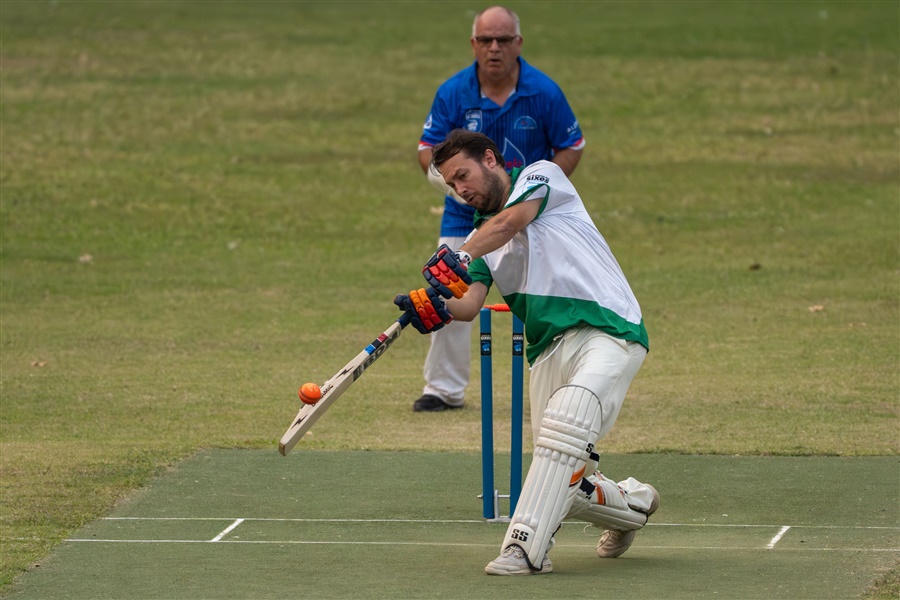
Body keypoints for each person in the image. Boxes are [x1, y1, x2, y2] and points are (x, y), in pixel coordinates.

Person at [394, 129, 658, 575]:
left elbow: (508, 224)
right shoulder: (481, 242)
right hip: (547, 351)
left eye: (463, 175)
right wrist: (433, 309)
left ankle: (523, 549)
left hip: (608, 330)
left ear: (491, 159)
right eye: (452, 185)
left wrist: (457, 257)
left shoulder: (542, 176)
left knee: (567, 423)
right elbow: (469, 305)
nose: (461, 190)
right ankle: (633, 504)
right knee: (561, 477)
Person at [413, 5, 585, 412]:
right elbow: (426, 150)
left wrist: (541, 193)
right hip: (464, 216)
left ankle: (561, 385)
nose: (494, 48)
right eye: (486, 40)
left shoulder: (543, 91)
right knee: (450, 287)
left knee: (542, 293)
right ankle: (443, 388)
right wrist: (455, 188)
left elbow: (571, 146)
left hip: (531, 220)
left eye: (503, 40)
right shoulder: (453, 92)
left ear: (518, 44)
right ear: (473, 44)